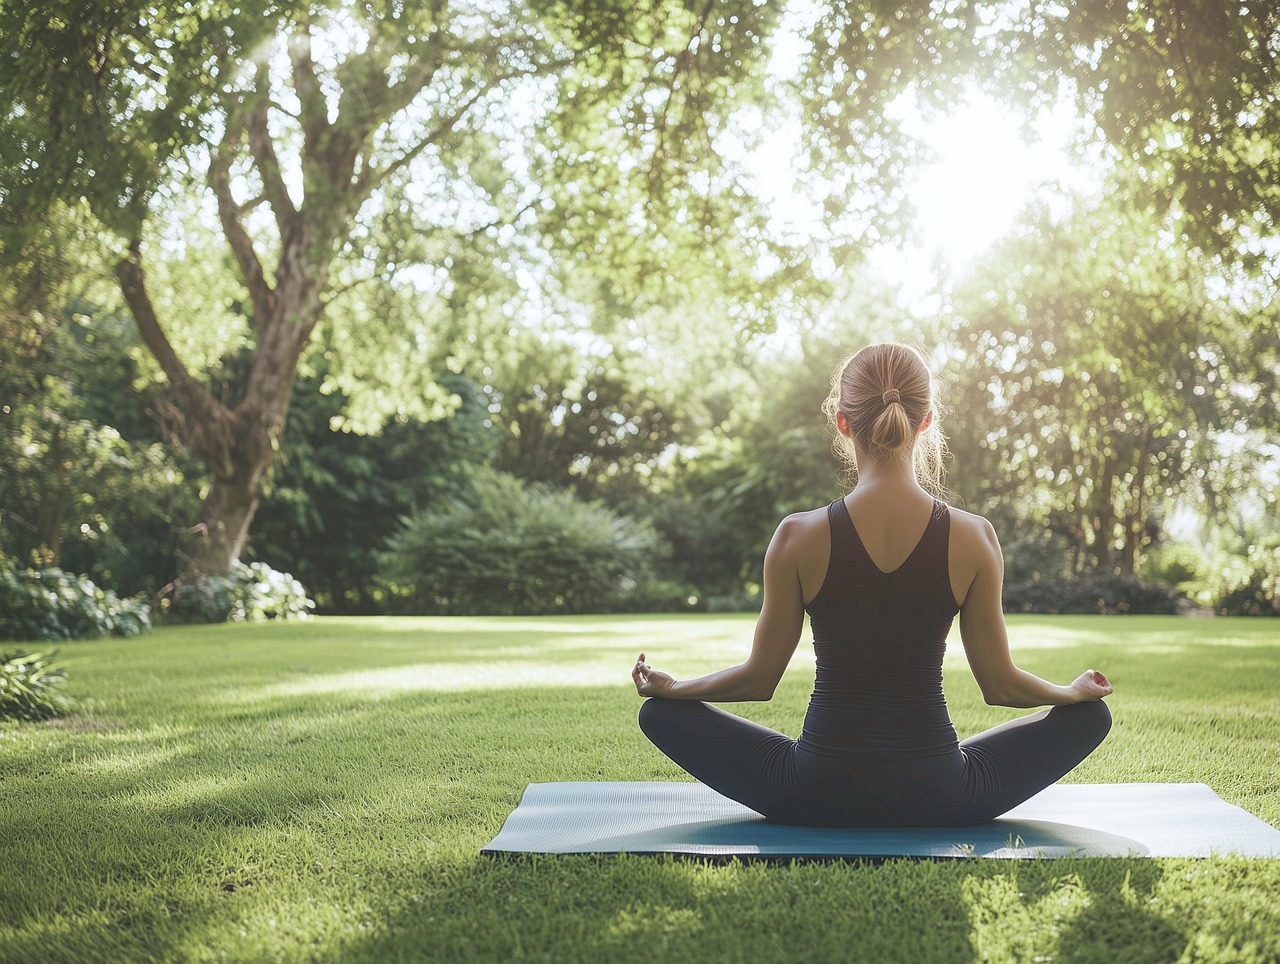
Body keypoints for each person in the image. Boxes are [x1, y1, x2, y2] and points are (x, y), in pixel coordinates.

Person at [631, 342, 1112, 827]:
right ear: (927, 421)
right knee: (1091, 717)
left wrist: (675, 688)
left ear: (842, 422)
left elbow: (759, 680)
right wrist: (1069, 694)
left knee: (659, 714)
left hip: (814, 791)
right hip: (940, 793)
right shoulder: (975, 537)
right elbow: (1000, 685)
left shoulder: (796, 536)